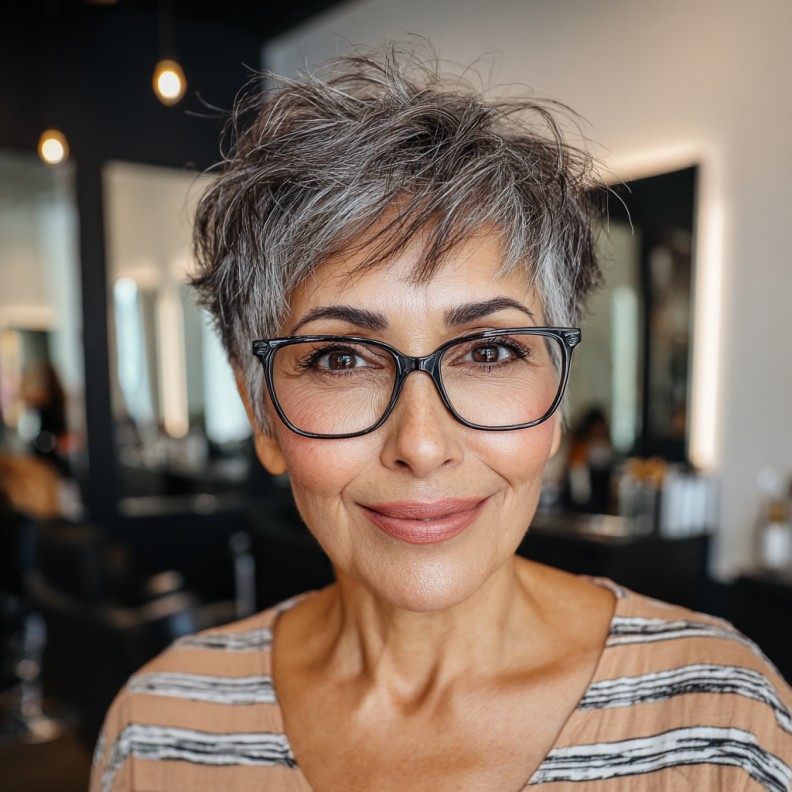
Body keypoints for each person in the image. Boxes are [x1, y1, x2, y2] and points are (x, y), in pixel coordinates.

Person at [90, 49, 792, 791]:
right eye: (340, 359)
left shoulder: (722, 728)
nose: (422, 446)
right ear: (261, 414)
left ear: (555, 397)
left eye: (489, 351)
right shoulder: (159, 729)